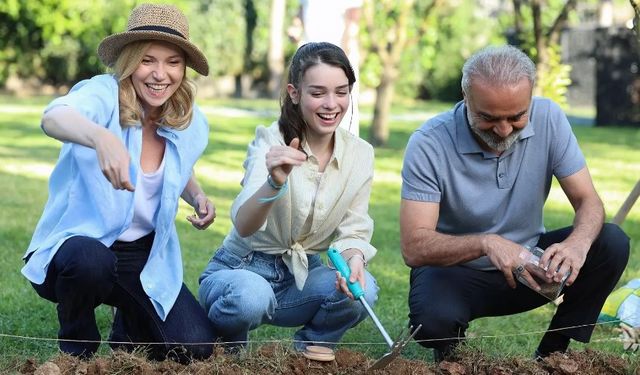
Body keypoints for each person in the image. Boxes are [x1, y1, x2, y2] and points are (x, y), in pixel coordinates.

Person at [400, 45, 630, 361]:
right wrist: (486, 243)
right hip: (455, 272)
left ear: (530, 98)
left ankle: (553, 354)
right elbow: (414, 246)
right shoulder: (429, 143)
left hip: (531, 271)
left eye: (517, 116)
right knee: (433, 320)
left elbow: (588, 201)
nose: (504, 130)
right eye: (489, 118)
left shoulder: (549, 117)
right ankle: (453, 355)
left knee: (610, 242)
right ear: (466, 99)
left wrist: (576, 245)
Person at [21, 3, 217, 362]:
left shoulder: (187, 117)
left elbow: (177, 165)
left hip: (139, 255)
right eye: (148, 60)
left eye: (172, 62)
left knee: (196, 347)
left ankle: (126, 326)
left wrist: (197, 194)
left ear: (183, 69)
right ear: (129, 60)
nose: (161, 74)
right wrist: (100, 137)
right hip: (78, 247)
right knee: (91, 261)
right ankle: (75, 349)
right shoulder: (102, 95)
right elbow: (53, 117)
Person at [198, 42, 378, 360]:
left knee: (364, 291)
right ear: (294, 93)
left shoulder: (361, 155)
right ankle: (225, 341)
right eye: (318, 92)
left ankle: (309, 350)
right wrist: (274, 181)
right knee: (250, 298)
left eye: (341, 91)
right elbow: (244, 223)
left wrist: (354, 262)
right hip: (243, 268)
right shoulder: (270, 141)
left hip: (303, 274)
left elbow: (354, 228)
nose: (331, 104)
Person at [288, 0, 363, 137]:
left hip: (337, 57)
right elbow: (302, 9)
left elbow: (353, 16)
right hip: (308, 58)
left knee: (337, 105)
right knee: (305, 106)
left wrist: (342, 58)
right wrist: (295, 27)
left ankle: (344, 151)